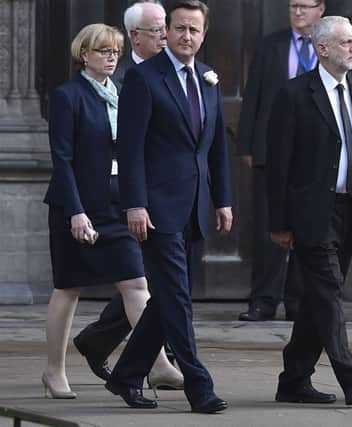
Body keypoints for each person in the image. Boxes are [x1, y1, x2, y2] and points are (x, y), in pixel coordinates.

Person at [104, 0, 233, 414]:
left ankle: (126, 375)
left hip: (194, 205)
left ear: (203, 34)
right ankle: (199, 384)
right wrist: (135, 204)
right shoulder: (144, 78)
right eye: (178, 28)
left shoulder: (209, 80)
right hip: (156, 208)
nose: (186, 36)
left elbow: (216, 149)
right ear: (166, 32)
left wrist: (224, 199)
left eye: (194, 30)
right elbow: (130, 147)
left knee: (167, 300)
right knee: (177, 298)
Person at [42, 23, 178, 399]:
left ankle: (160, 365)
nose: (111, 57)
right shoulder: (68, 96)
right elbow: (63, 160)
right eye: (103, 51)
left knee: (136, 282)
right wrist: (76, 212)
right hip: (78, 206)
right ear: (84, 55)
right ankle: (54, 372)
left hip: (117, 206)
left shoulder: (121, 92)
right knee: (68, 288)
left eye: (115, 52)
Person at [267, 15, 352, 406]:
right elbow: (279, 163)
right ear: (322, 49)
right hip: (309, 212)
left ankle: (294, 380)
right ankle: (351, 375)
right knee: (329, 290)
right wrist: (279, 222)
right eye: (346, 42)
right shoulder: (295, 94)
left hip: (348, 210)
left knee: (319, 297)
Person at [236, 0, 325, 323]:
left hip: (314, 153)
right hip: (271, 150)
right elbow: (253, 97)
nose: (298, 11)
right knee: (267, 229)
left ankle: (298, 301)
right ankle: (263, 300)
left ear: (321, 9)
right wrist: (247, 144)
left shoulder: (327, 48)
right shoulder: (270, 45)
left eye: (305, 6)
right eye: (293, 6)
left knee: (307, 229)